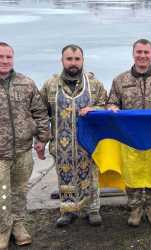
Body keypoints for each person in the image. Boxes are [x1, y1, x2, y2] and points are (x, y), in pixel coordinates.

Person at [0, 42, 50, 250]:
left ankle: (19, 225)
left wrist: (42, 139)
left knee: (19, 191)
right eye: (0, 57)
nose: (4, 61)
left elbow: (39, 112)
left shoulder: (26, 83)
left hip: (22, 150)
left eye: (8, 57)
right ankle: (3, 231)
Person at [35, 44, 108, 227]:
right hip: (61, 145)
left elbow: (107, 106)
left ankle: (92, 210)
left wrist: (94, 108)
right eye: (69, 59)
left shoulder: (94, 84)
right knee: (65, 177)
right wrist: (41, 140)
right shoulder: (50, 85)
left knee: (91, 176)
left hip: (88, 144)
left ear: (82, 60)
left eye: (77, 59)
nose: (73, 63)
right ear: (62, 61)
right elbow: (40, 112)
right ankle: (68, 211)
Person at [107, 38, 151, 226]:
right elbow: (112, 101)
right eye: (139, 52)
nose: (142, 56)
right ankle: (135, 207)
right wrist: (111, 108)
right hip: (129, 136)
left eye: (146, 52)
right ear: (133, 54)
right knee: (132, 171)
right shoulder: (120, 80)